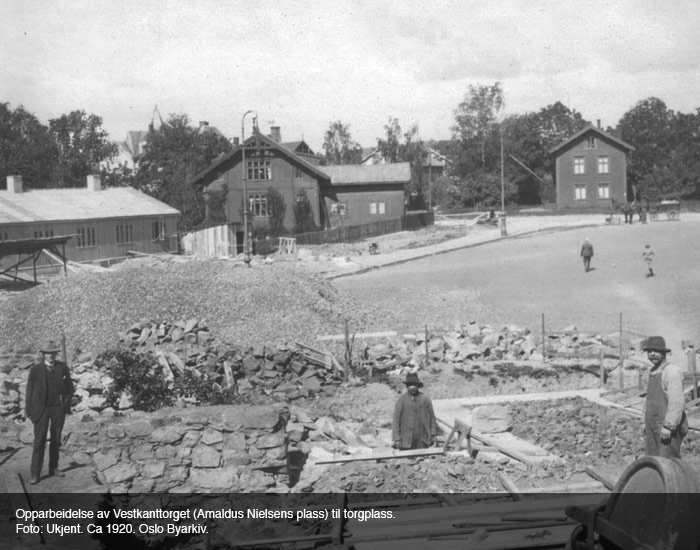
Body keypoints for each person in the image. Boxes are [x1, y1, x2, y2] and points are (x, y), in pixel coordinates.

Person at [25, 340, 74, 484]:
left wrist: (65, 403)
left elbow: (70, 388)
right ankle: (35, 473)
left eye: (53, 353)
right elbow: (29, 391)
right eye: (48, 353)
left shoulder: (62, 367)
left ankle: (54, 468)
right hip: (41, 409)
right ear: (44, 355)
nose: (50, 356)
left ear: (55, 354)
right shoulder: (35, 370)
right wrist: (29, 410)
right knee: (39, 441)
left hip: (58, 408)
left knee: (56, 439)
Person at [643, 336, 688, 458]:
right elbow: (649, 401)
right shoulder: (652, 372)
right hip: (652, 425)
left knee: (668, 462)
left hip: (666, 428)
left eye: (656, 351)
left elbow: (676, 402)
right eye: (649, 351)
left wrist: (668, 426)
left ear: (664, 352)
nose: (652, 354)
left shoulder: (671, 371)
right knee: (653, 461)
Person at [392, 372, 438, 450]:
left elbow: (432, 418)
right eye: (410, 385)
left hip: (422, 437)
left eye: (414, 385)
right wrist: (397, 438)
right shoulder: (402, 399)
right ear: (407, 386)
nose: (412, 387)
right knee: (407, 460)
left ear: (417, 386)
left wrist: (433, 434)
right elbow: (396, 419)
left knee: (422, 459)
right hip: (406, 438)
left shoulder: (425, 399)